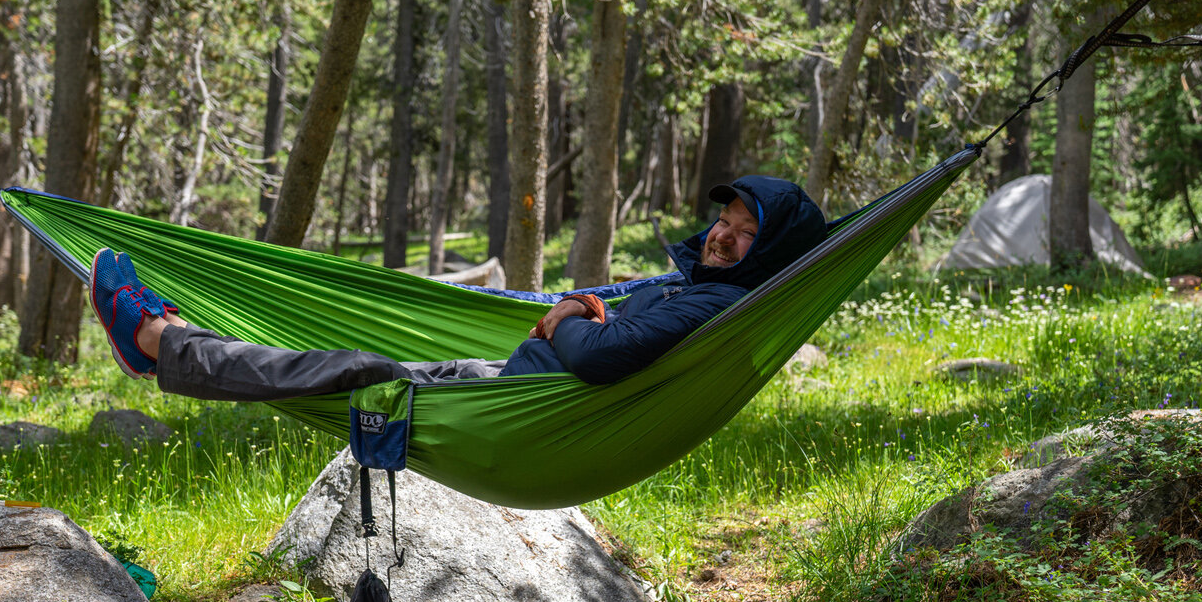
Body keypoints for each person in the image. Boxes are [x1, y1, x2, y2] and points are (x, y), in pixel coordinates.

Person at [90, 176, 826, 401]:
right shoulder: (693, 284)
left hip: (519, 413)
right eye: (723, 219)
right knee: (346, 355)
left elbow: (600, 356)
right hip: (503, 383)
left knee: (354, 374)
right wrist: (581, 317)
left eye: (743, 232)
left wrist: (568, 311)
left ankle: (160, 343)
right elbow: (606, 336)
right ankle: (178, 345)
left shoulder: (721, 302)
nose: (722, 235)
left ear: (772, 250)